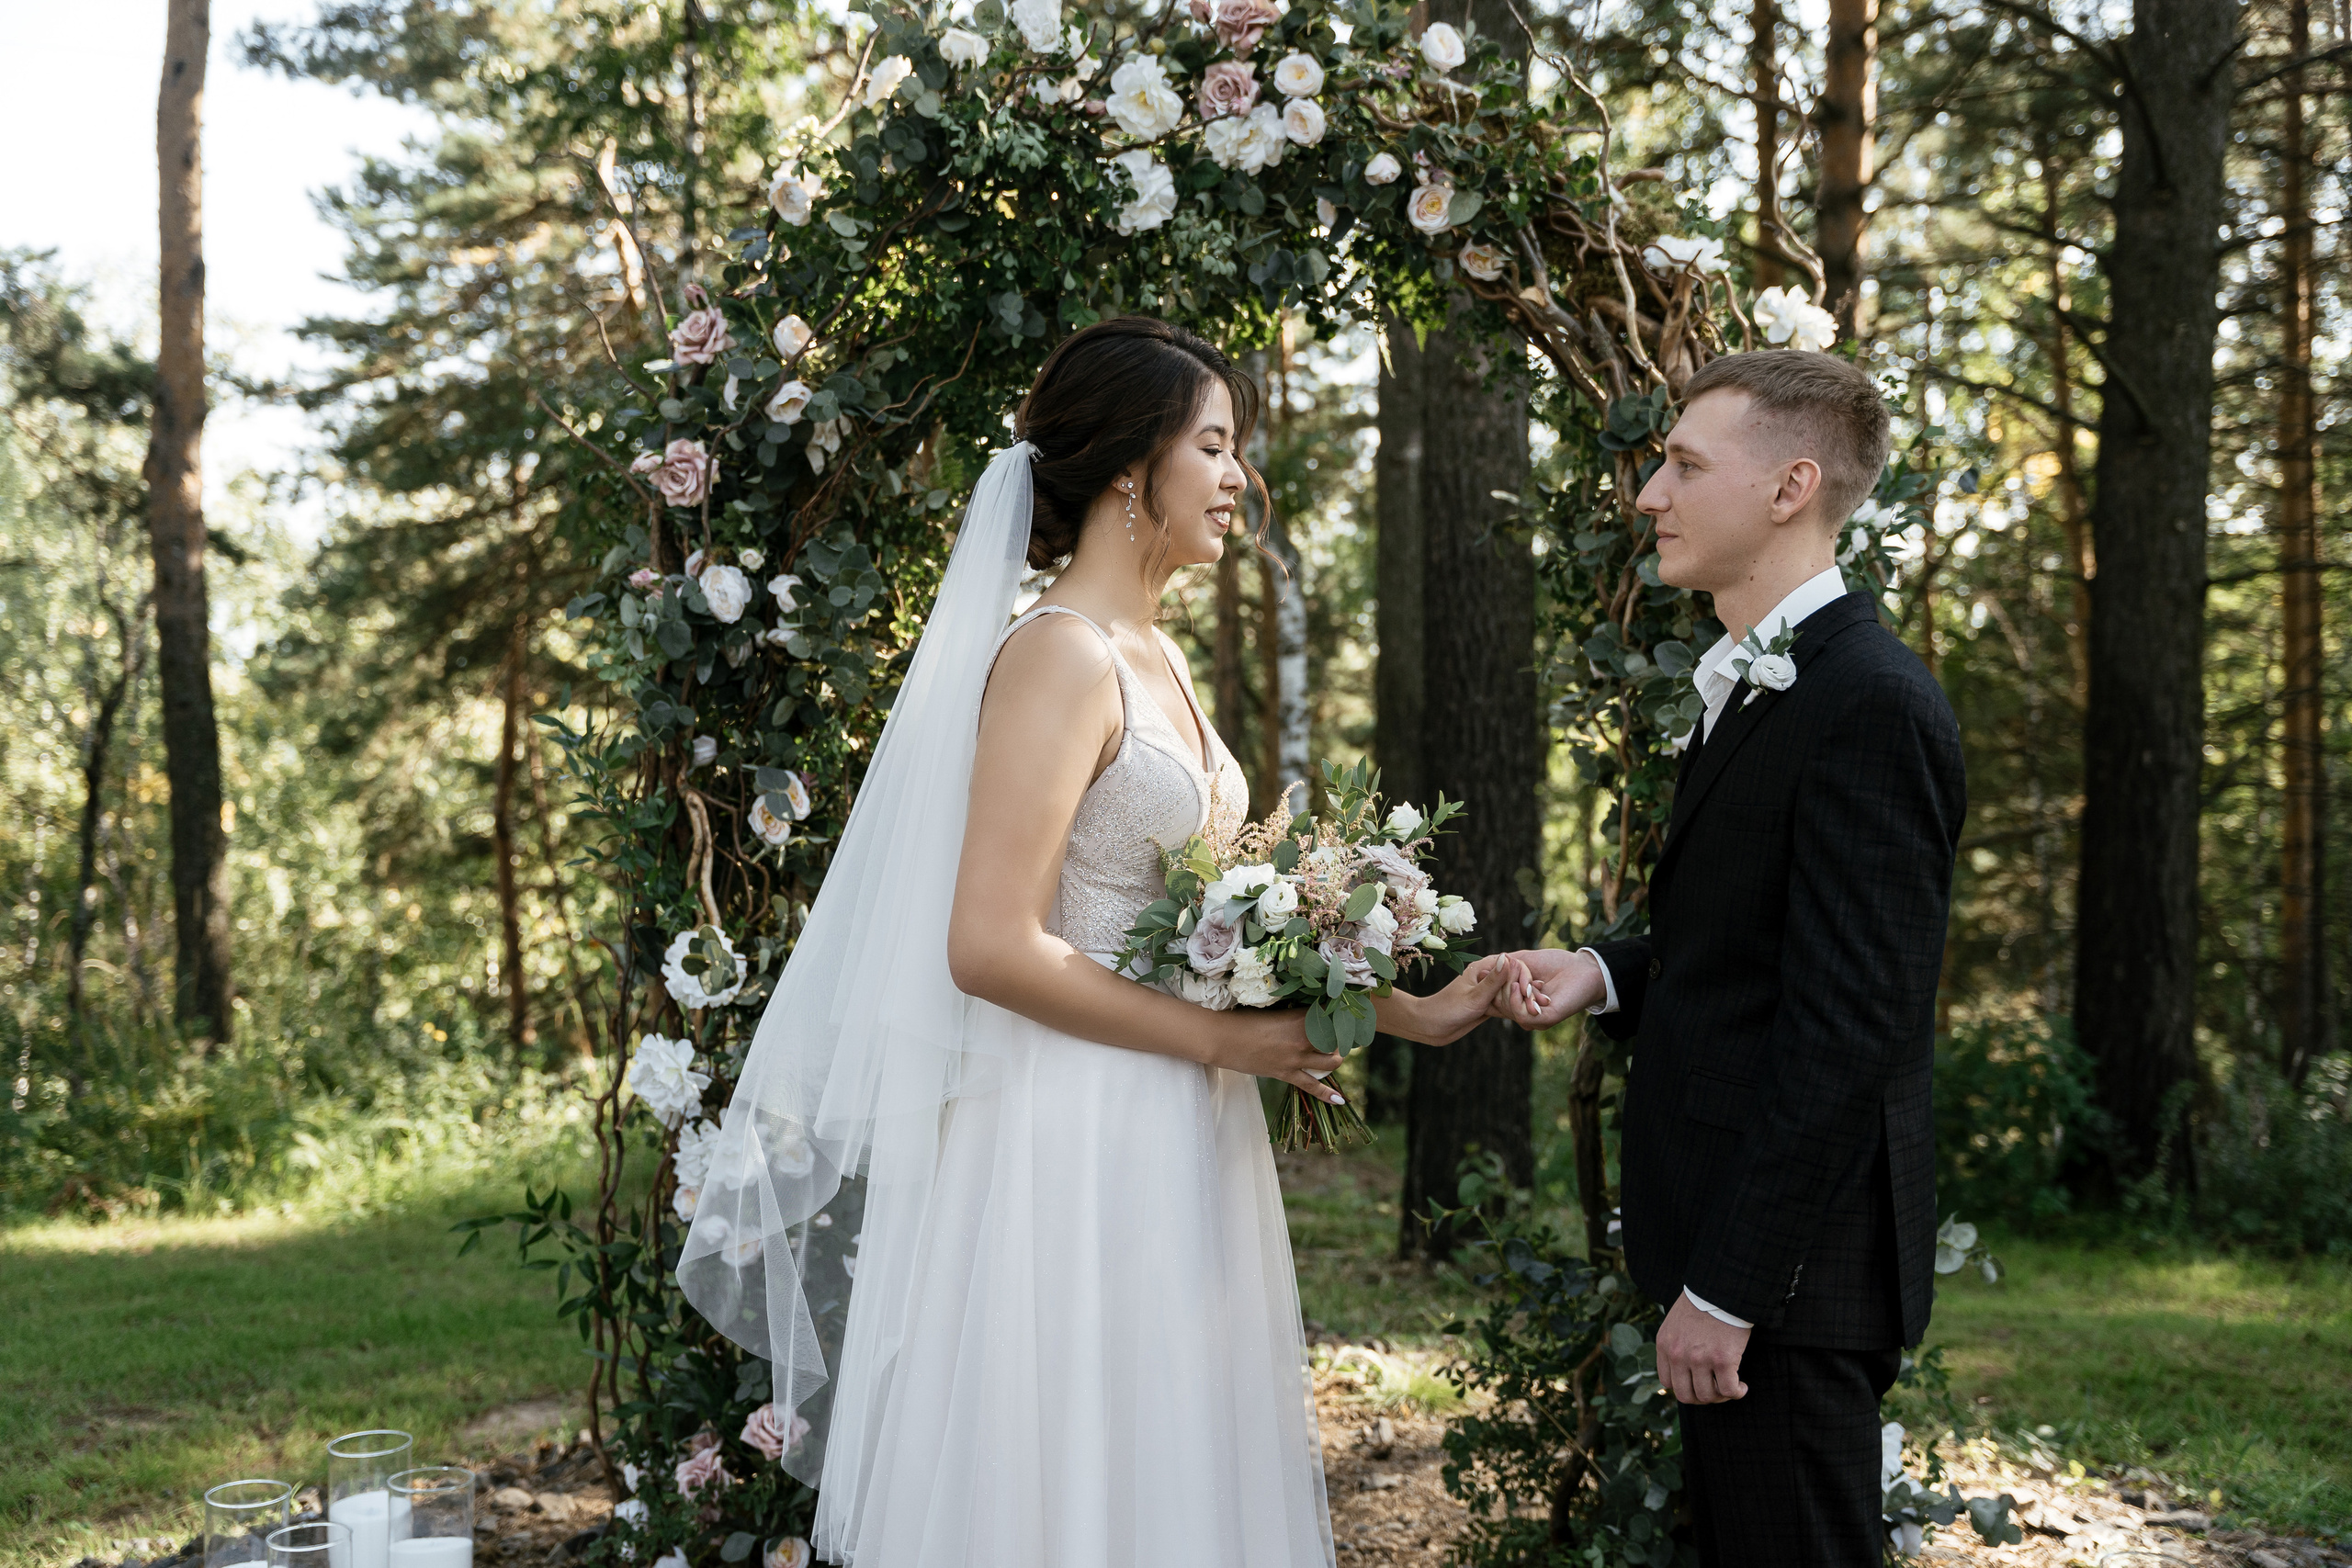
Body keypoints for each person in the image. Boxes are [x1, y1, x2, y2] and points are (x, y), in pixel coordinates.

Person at [683, 316, 1510, 1568]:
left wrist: (1423, 1006)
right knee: (1075, 1472)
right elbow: (990, 946)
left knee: (1175, 1466)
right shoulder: (1057, 656)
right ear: (1133, 467)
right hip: (1071, 1131)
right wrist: (1223, 1046)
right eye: (1216, 445)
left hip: (1179, 1119)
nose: (1240, 479)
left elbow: (1229, 929)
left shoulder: (1156, 655)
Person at [1493, 350, 1966, 1567]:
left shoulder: (1869, 703)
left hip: (1793, 1285)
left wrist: (1735, 1288)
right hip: (1743, 1256)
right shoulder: (1760, 687)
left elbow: (1852, 1026)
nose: (1650, 494)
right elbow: (1760, 946)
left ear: (1790, 486)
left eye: (1686, 465)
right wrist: (1602, 972)